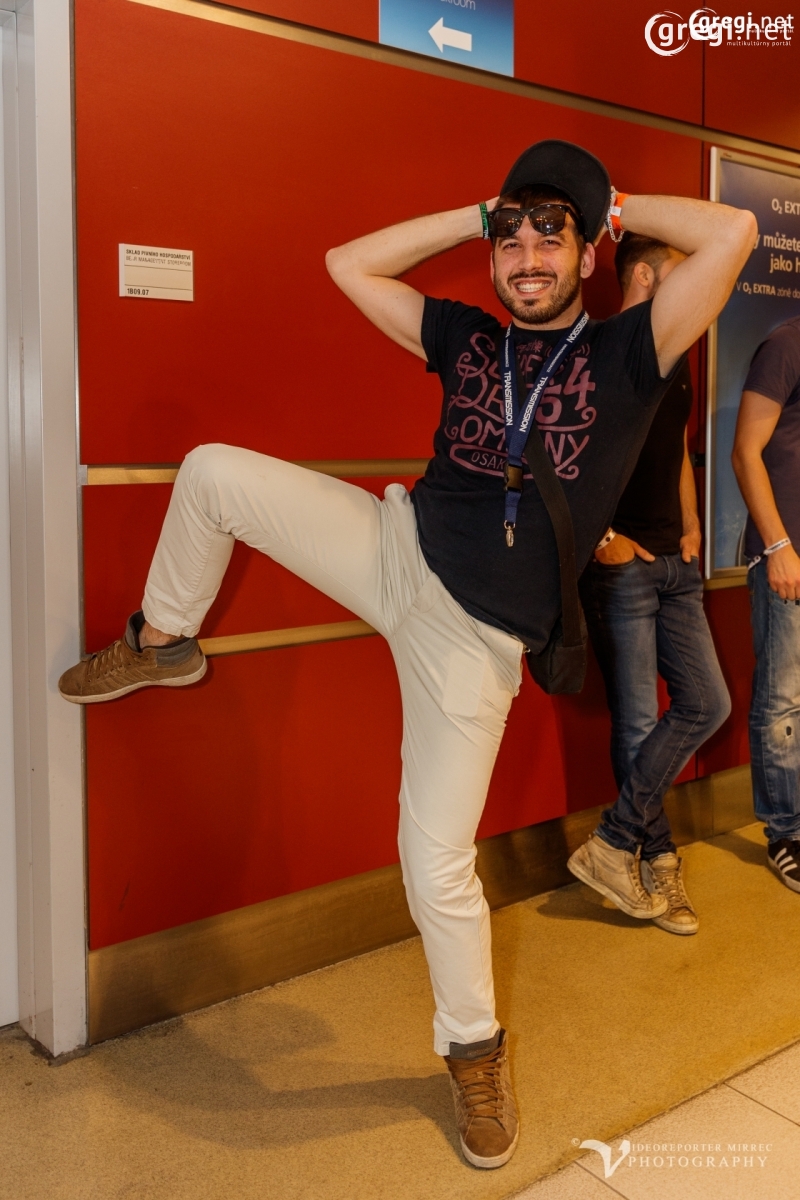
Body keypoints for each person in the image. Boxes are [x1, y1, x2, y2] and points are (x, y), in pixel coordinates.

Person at [59, 140, 755, 1169]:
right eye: (510, 240)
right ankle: (161, 642)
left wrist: (605, 204)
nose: (527, 257)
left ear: (585, 254)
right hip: (397, 547)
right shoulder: (468, 339)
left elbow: (732, 231)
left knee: (431, 863)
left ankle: (472, 1051)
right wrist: (479, 212)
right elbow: (346, 264)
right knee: (212, 473)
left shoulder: (628, 353)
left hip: (475, 639)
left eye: (549, 238)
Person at [567, 235, 731, 935]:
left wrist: (691, 526)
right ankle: (658, 858)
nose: (692, 288)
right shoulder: (597, 351)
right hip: (624, 567)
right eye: (678, 275)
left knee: (708, 702)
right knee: (636, 721)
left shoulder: (678, 351)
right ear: (642, 275)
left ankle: (612, 842)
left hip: (675, 564)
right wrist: (604, 539)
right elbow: (563, 457)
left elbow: (678, 450)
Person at [732, 316, 800, 892]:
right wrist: (778, 547)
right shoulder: (786, 344)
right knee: (782, 703)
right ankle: (786, 833)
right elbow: (745, 452)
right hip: (789, 556)